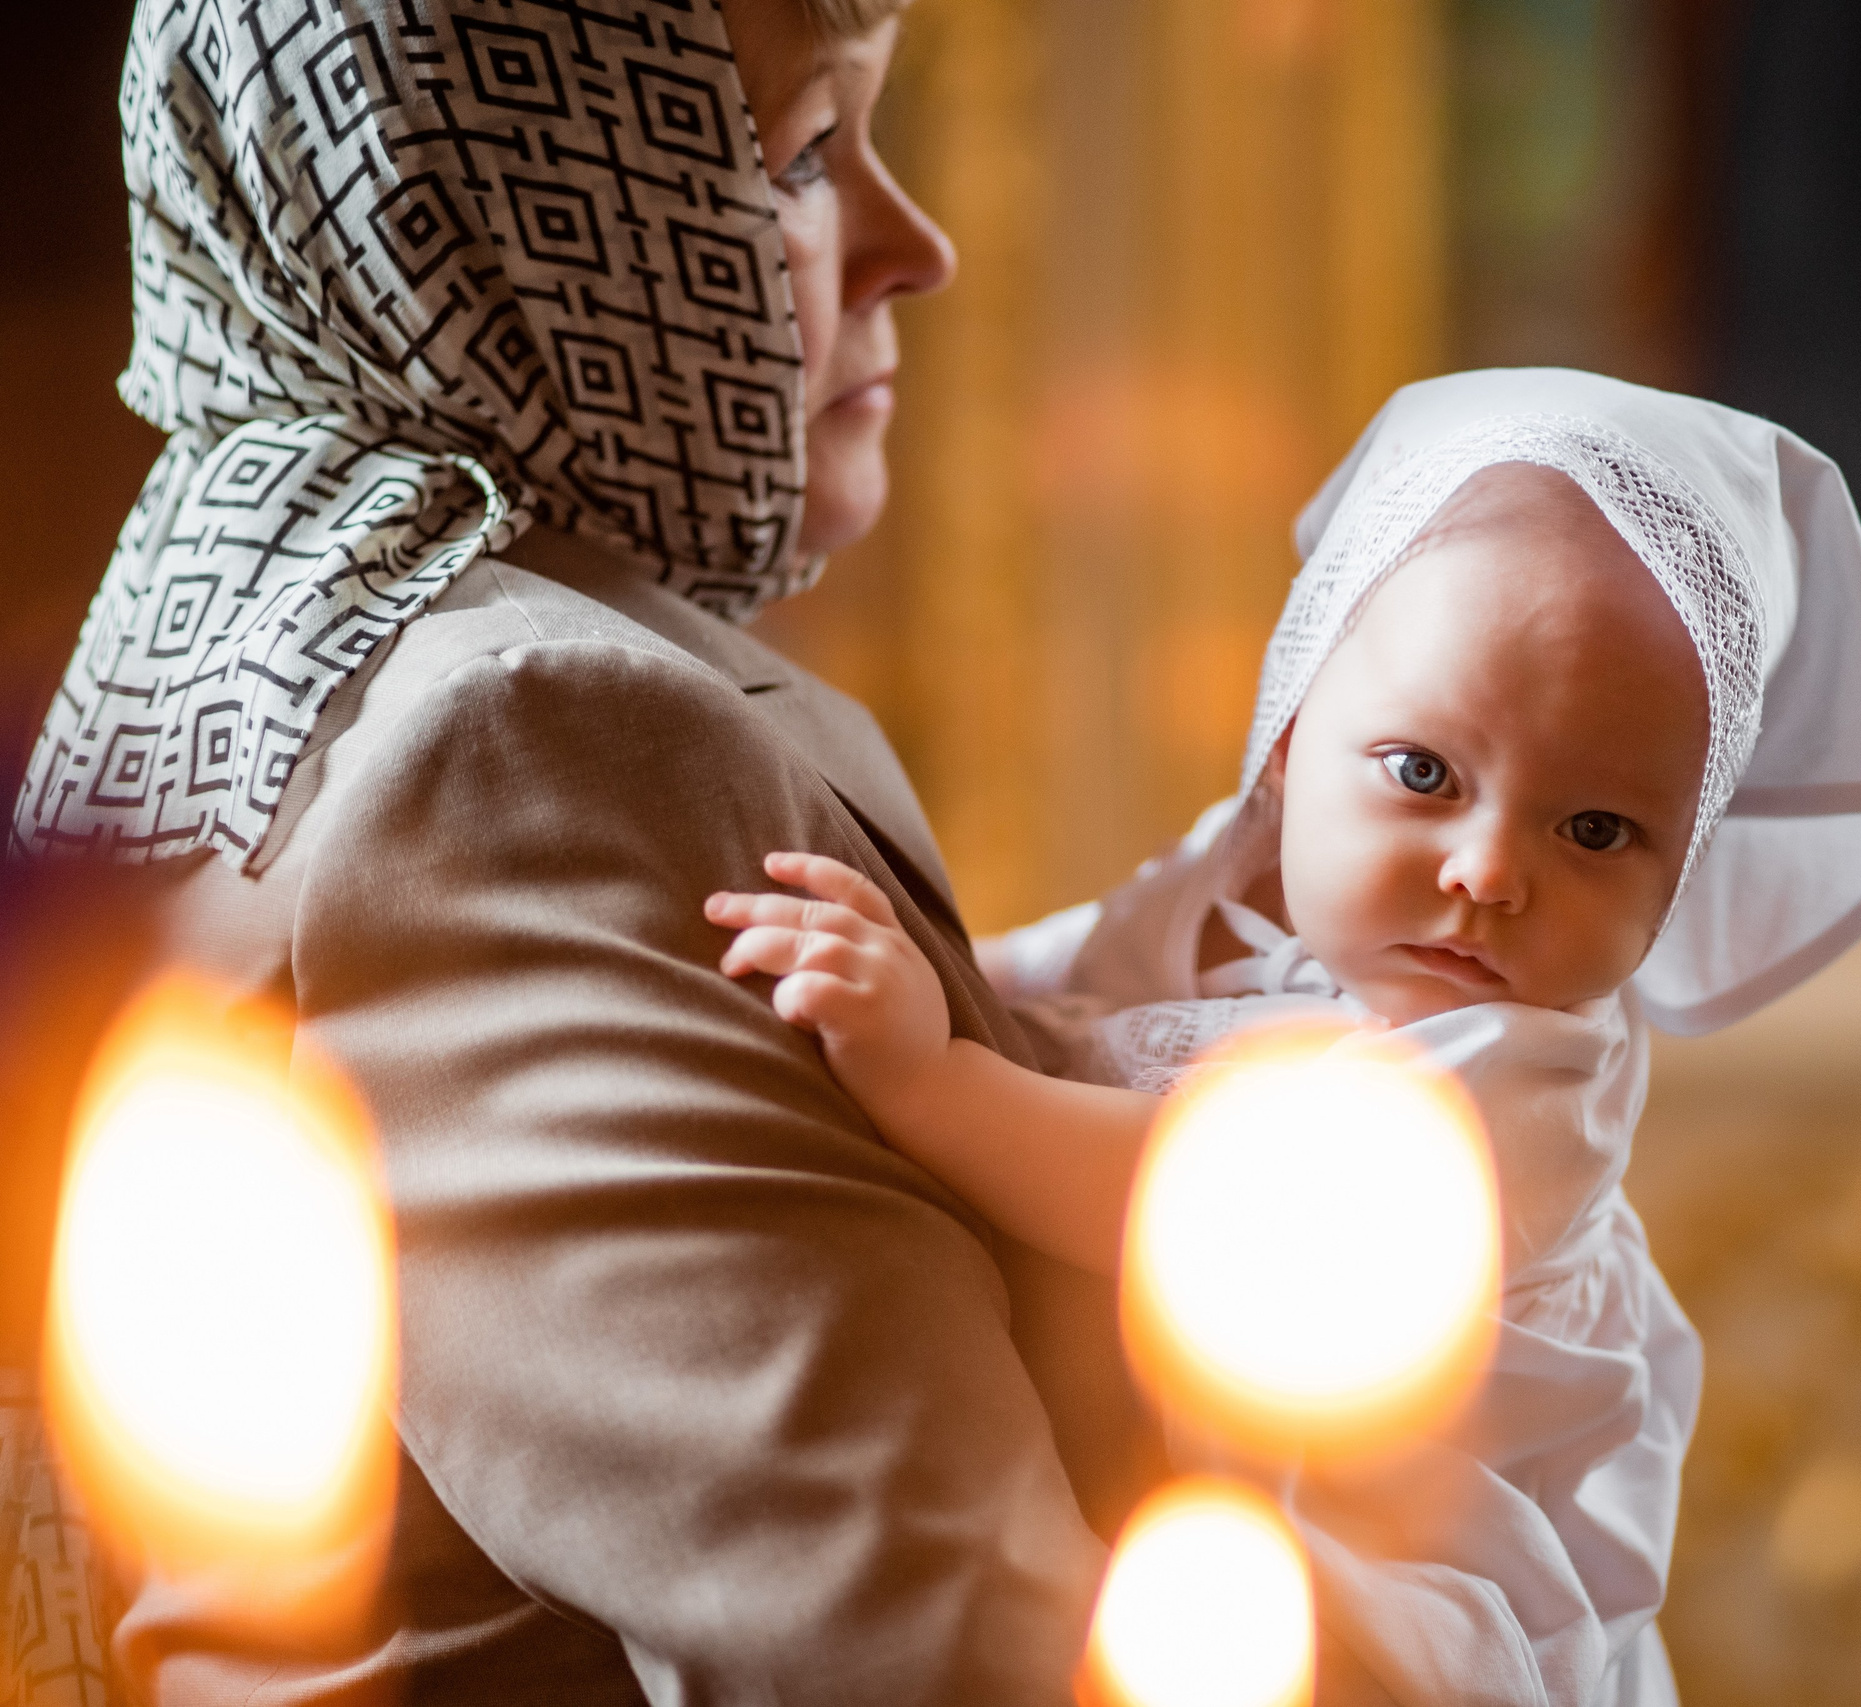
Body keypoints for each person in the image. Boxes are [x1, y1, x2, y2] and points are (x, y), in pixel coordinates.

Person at [10, 0, 1155, 1699]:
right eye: (813, 158)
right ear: (510, 214)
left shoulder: (277, 619)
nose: (923, 250)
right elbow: (926, 1646)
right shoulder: (523, 737)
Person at [709, 368, 1861, 1704]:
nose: (1488, 870)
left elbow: (1198, 1200)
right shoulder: (1225, 883)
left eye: (1596, 830)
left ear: (1678, 877)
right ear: (1290, 738)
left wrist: (930, 1080)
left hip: (1416, 1580)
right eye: (1426, 773)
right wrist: (902, 981)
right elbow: (1023, 992)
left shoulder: (1530, 1080)